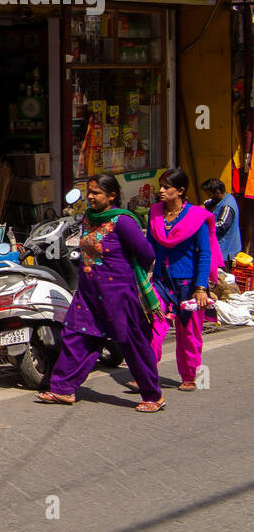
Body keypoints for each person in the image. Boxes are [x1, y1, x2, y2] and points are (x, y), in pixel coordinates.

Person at [34, 175, 165, 411]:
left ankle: (153, 395)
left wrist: (128, 275)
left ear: (111, 196)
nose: (91, 197)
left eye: (96, 193)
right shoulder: (88, 218)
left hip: (118, 296)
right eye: (90, 192)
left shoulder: (123, 222)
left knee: (132, 343)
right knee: (76, 336)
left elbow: (146, 253)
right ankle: (63, 389)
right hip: (89, 292)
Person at [149, 168, 222, 392]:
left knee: (189, 332)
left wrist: (200, 287)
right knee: (152, 326)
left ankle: (190, 376)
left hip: (188, 284)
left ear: (180, 191)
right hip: (161, 280)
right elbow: (149, 247)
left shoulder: (196, 217)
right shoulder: (155, 213)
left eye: (166, 187)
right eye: (160, 186)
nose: (161, 191)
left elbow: (204, 253)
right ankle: (147, 373)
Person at [201, 177, 242, 264]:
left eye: (210, 194)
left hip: (226, 251)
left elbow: (221, 226)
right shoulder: (217, 199)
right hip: (219, 248)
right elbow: (205, 205)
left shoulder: (227, 205)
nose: (209, 197)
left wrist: (202, 228)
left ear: (217, 192)